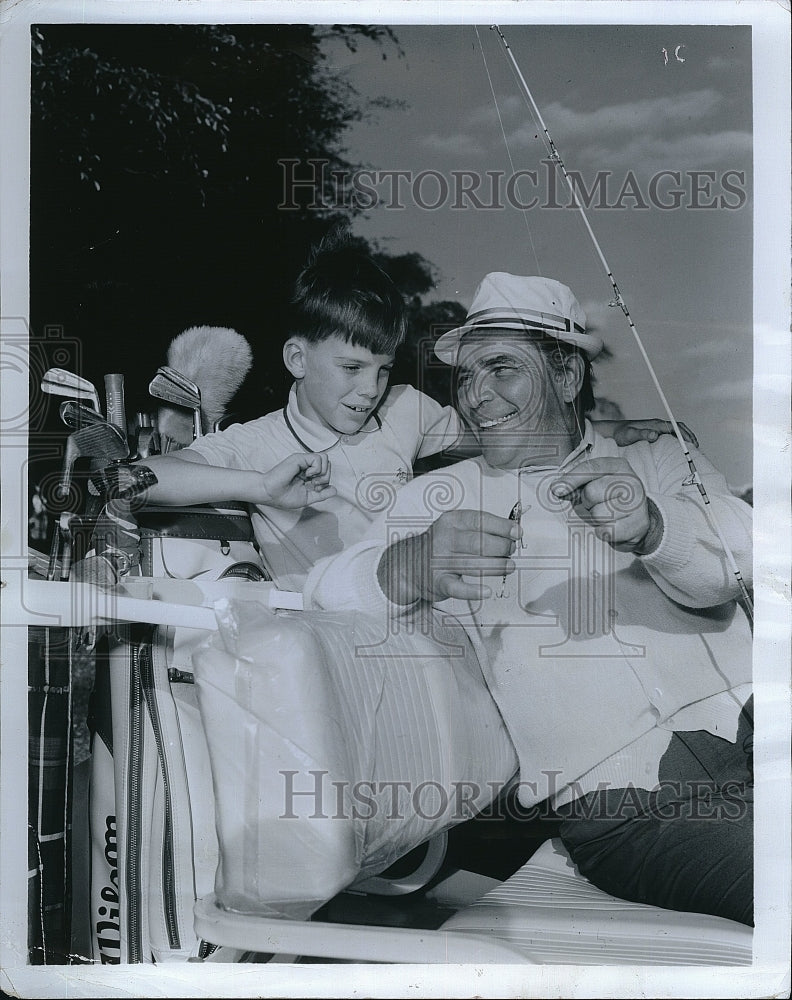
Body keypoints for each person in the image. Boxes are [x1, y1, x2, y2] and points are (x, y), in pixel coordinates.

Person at [303, 272, 754, 925]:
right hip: (631, 809)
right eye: (465, 377)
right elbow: (318, 593)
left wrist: (651, 525)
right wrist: (411, 566)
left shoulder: (654, 454)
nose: (476, 395)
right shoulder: (438, 499)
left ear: (566, 375)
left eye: (501, 369)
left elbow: (736, 561)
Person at [139, 241, 695, 590]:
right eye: (352, 368)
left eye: (382, 369)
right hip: (320, 630)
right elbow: (139, 482)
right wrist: (258, 486)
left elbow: (504, 432)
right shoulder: (257, 444)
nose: (369, 390)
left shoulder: (404, 408)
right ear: (297, 358)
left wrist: (617, 431)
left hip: (416, 614)